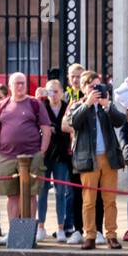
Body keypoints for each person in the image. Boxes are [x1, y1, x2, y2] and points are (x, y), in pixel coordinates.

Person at [65, 71, 127, 249]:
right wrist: (87, 104)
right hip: (89, 159)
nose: (96, 90)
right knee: (89, 200)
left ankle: (111, 235)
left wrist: (107, 106)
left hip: (109, 158)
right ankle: (90, 235)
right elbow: (73, 122)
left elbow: (121, 121)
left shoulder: (106, 106)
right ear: (84, 88)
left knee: (110, 199)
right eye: (92, 87)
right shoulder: (78, 105)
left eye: (99, 86)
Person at [0, 72, 53, 245]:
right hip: (6, 156)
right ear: (10, 86)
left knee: (30, 196)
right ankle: (13, 232)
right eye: (16, 83)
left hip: (32, 156)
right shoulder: (2, 105)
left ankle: (28, 233)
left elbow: (45, 128)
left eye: (22, 83)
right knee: (12, 196)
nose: (20, 86)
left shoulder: (35, 104)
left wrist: (42, 151)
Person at [39, 79, 73, 241]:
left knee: (61, 192)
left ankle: (61, 228)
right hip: (45, 156)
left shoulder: (67, 107)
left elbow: (69, 129)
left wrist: (55, 129)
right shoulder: (42, 106)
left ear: (61, 92)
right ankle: (40, 226)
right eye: (50, 91)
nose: (53, 94)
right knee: (42, 191)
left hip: (61, 156)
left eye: (56, 91)